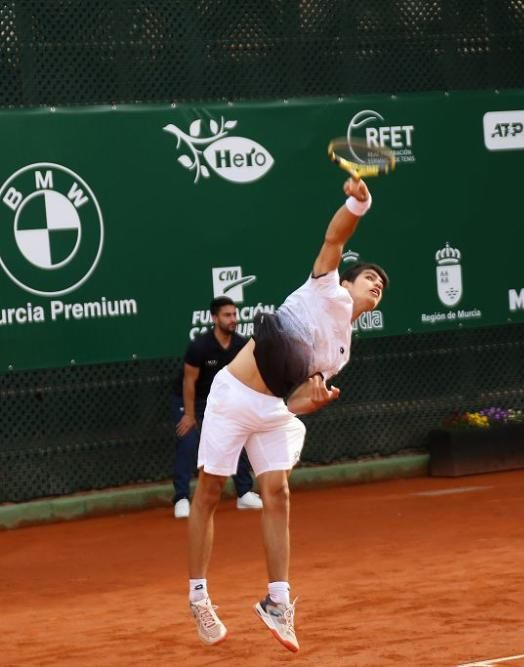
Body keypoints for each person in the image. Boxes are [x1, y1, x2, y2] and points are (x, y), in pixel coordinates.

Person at [186, 177, 388, 653]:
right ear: (347, 282)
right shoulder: (325, 290)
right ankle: (198, 594)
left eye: (382, 286)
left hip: (273, 409)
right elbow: (335, 238)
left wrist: (309, 404)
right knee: (210, 490)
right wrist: (358, 202)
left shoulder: (341, 352)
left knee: (277, 492)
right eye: (370, 278)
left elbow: (293, 400)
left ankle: (277, 601)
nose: (377, 283)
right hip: (233, 395)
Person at [170, 297, 262, 519]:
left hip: (221, 402)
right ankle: (182, 498)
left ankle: (244, 494)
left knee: (236, 438)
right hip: (191, 400)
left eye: (234, 315)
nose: (233, 319)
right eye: (227, 315)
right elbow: (189, 381)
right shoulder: (199, 346)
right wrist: (190, 415)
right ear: (214, 318)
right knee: (189, 440)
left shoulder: (241, 345)